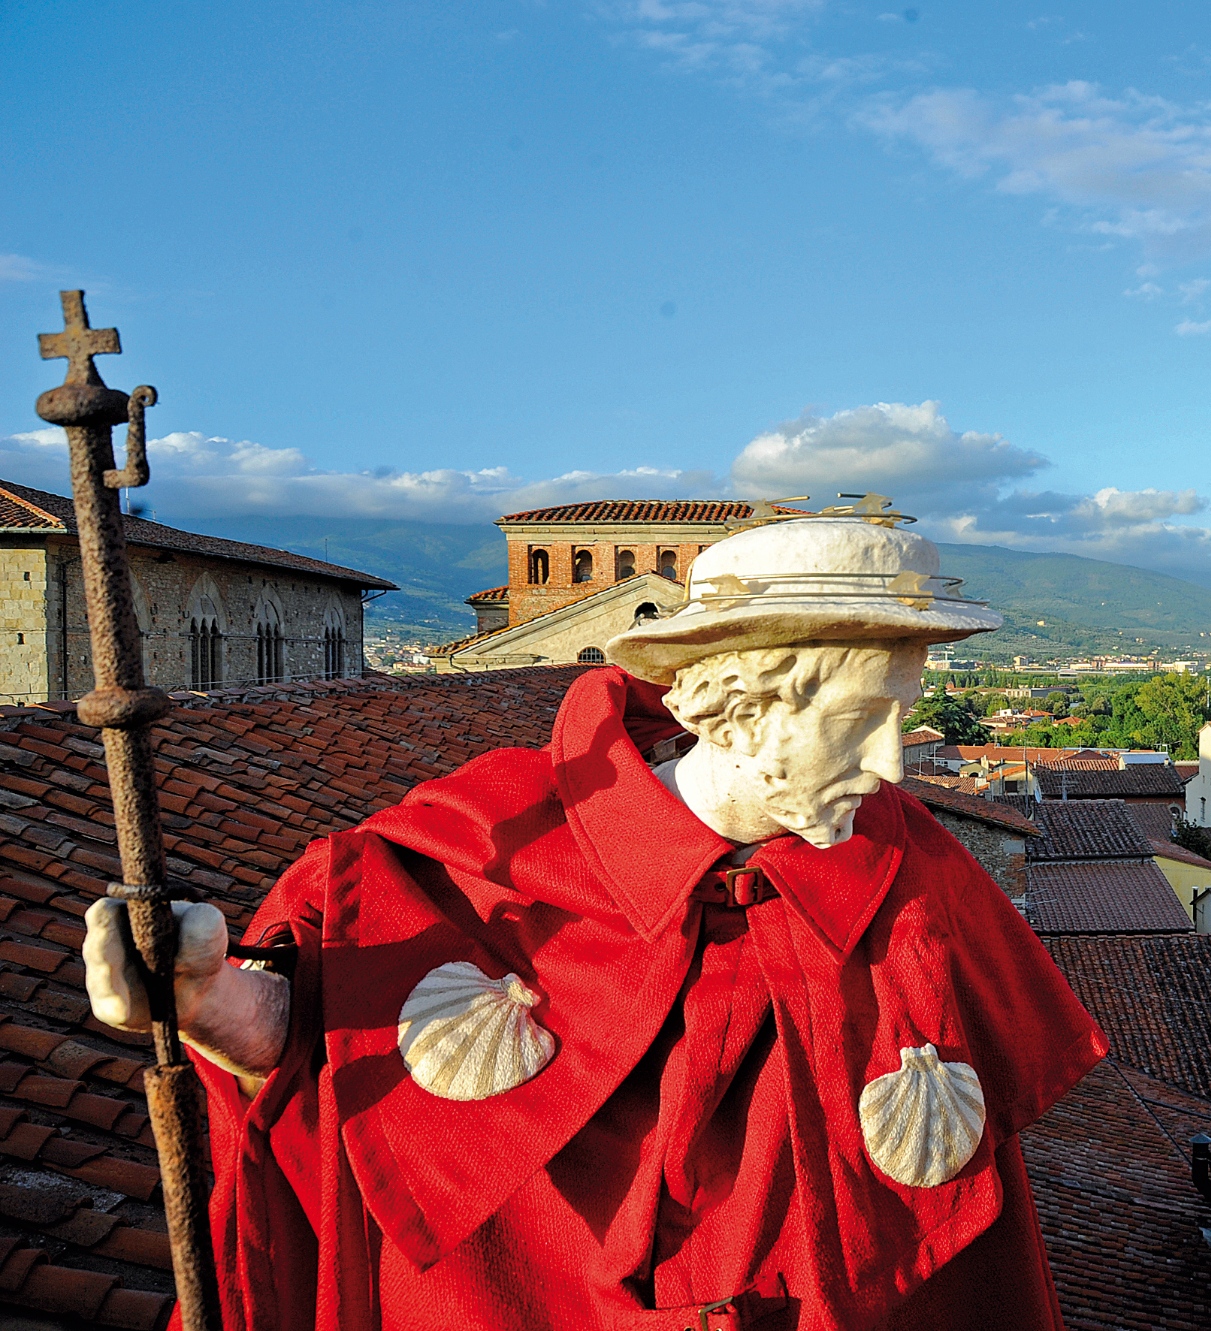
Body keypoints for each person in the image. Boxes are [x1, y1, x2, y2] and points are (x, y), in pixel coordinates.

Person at [83, 515, 1106, 1330]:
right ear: (733, 701)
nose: (890, 762)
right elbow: (327, 1065)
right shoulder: (474, 849)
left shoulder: (911, 862)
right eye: (858, 720)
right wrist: (209, 999)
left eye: (900, 710)